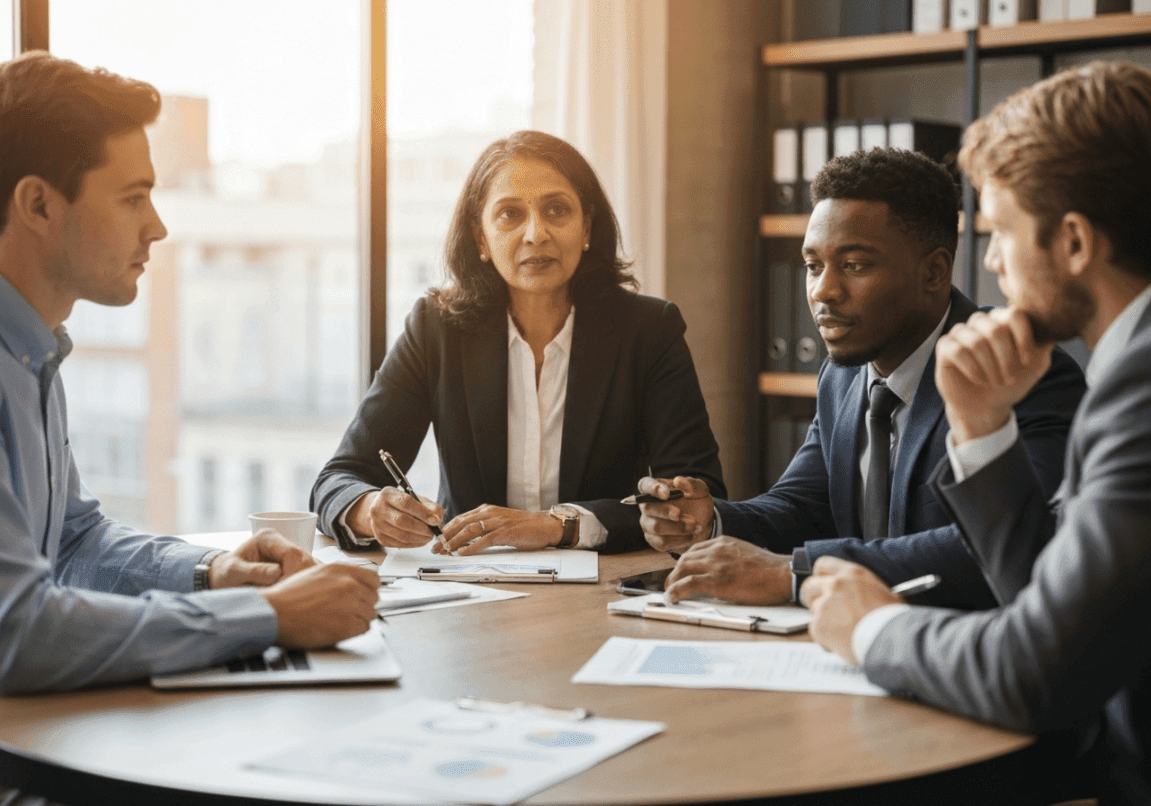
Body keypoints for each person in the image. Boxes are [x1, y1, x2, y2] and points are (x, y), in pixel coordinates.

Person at [802, 60, 1151, 804]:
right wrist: (982, 426)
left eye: (998, 234)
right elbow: (1057, 614)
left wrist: (872, 630)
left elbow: (1037, 671)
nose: (988, 267)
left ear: (1074, 243)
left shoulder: (1140, 386)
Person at [0, 52, 380, 697]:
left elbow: (72, 541)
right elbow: (15, 633)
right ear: (39, 204)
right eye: (132, 198)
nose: (158, 227)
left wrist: (216, 574)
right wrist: (266, 616)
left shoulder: (32, 355)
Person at [638, 148, 1085, 609]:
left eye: (854, 265)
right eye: (813, 266)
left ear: (933, 272)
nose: (822, 292)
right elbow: (803, 505)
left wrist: (796, 572)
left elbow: (1000, 547)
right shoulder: (843, 375)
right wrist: (709, 519)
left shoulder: (1018, 371)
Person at [312, 131, 724, 555]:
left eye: (557, 210)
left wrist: (557, 526)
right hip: (471, 592)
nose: (535, 234)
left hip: (603, 591)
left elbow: (696, 499)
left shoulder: (649, 330)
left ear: (587, 226)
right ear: (480, 239)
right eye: (510, 215)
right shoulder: (436, 330)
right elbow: (337, 480)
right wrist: (370, 509)